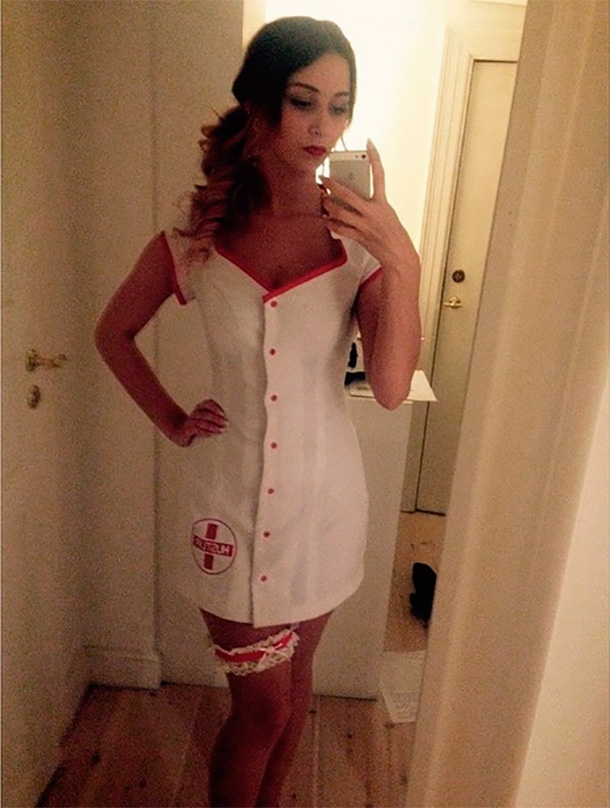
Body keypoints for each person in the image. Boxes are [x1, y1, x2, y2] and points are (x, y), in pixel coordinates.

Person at [95, 15, 421, 808]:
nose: (322, 127)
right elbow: (113, 333)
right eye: (303, 101)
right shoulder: (198, 233)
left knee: (296, 692)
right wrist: (174, 419)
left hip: (325, 504)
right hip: (229, 506)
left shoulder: (358, 242)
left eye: (339, 107)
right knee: (263, 709)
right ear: (258, 103)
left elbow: (388, 387)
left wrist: (404, 261)